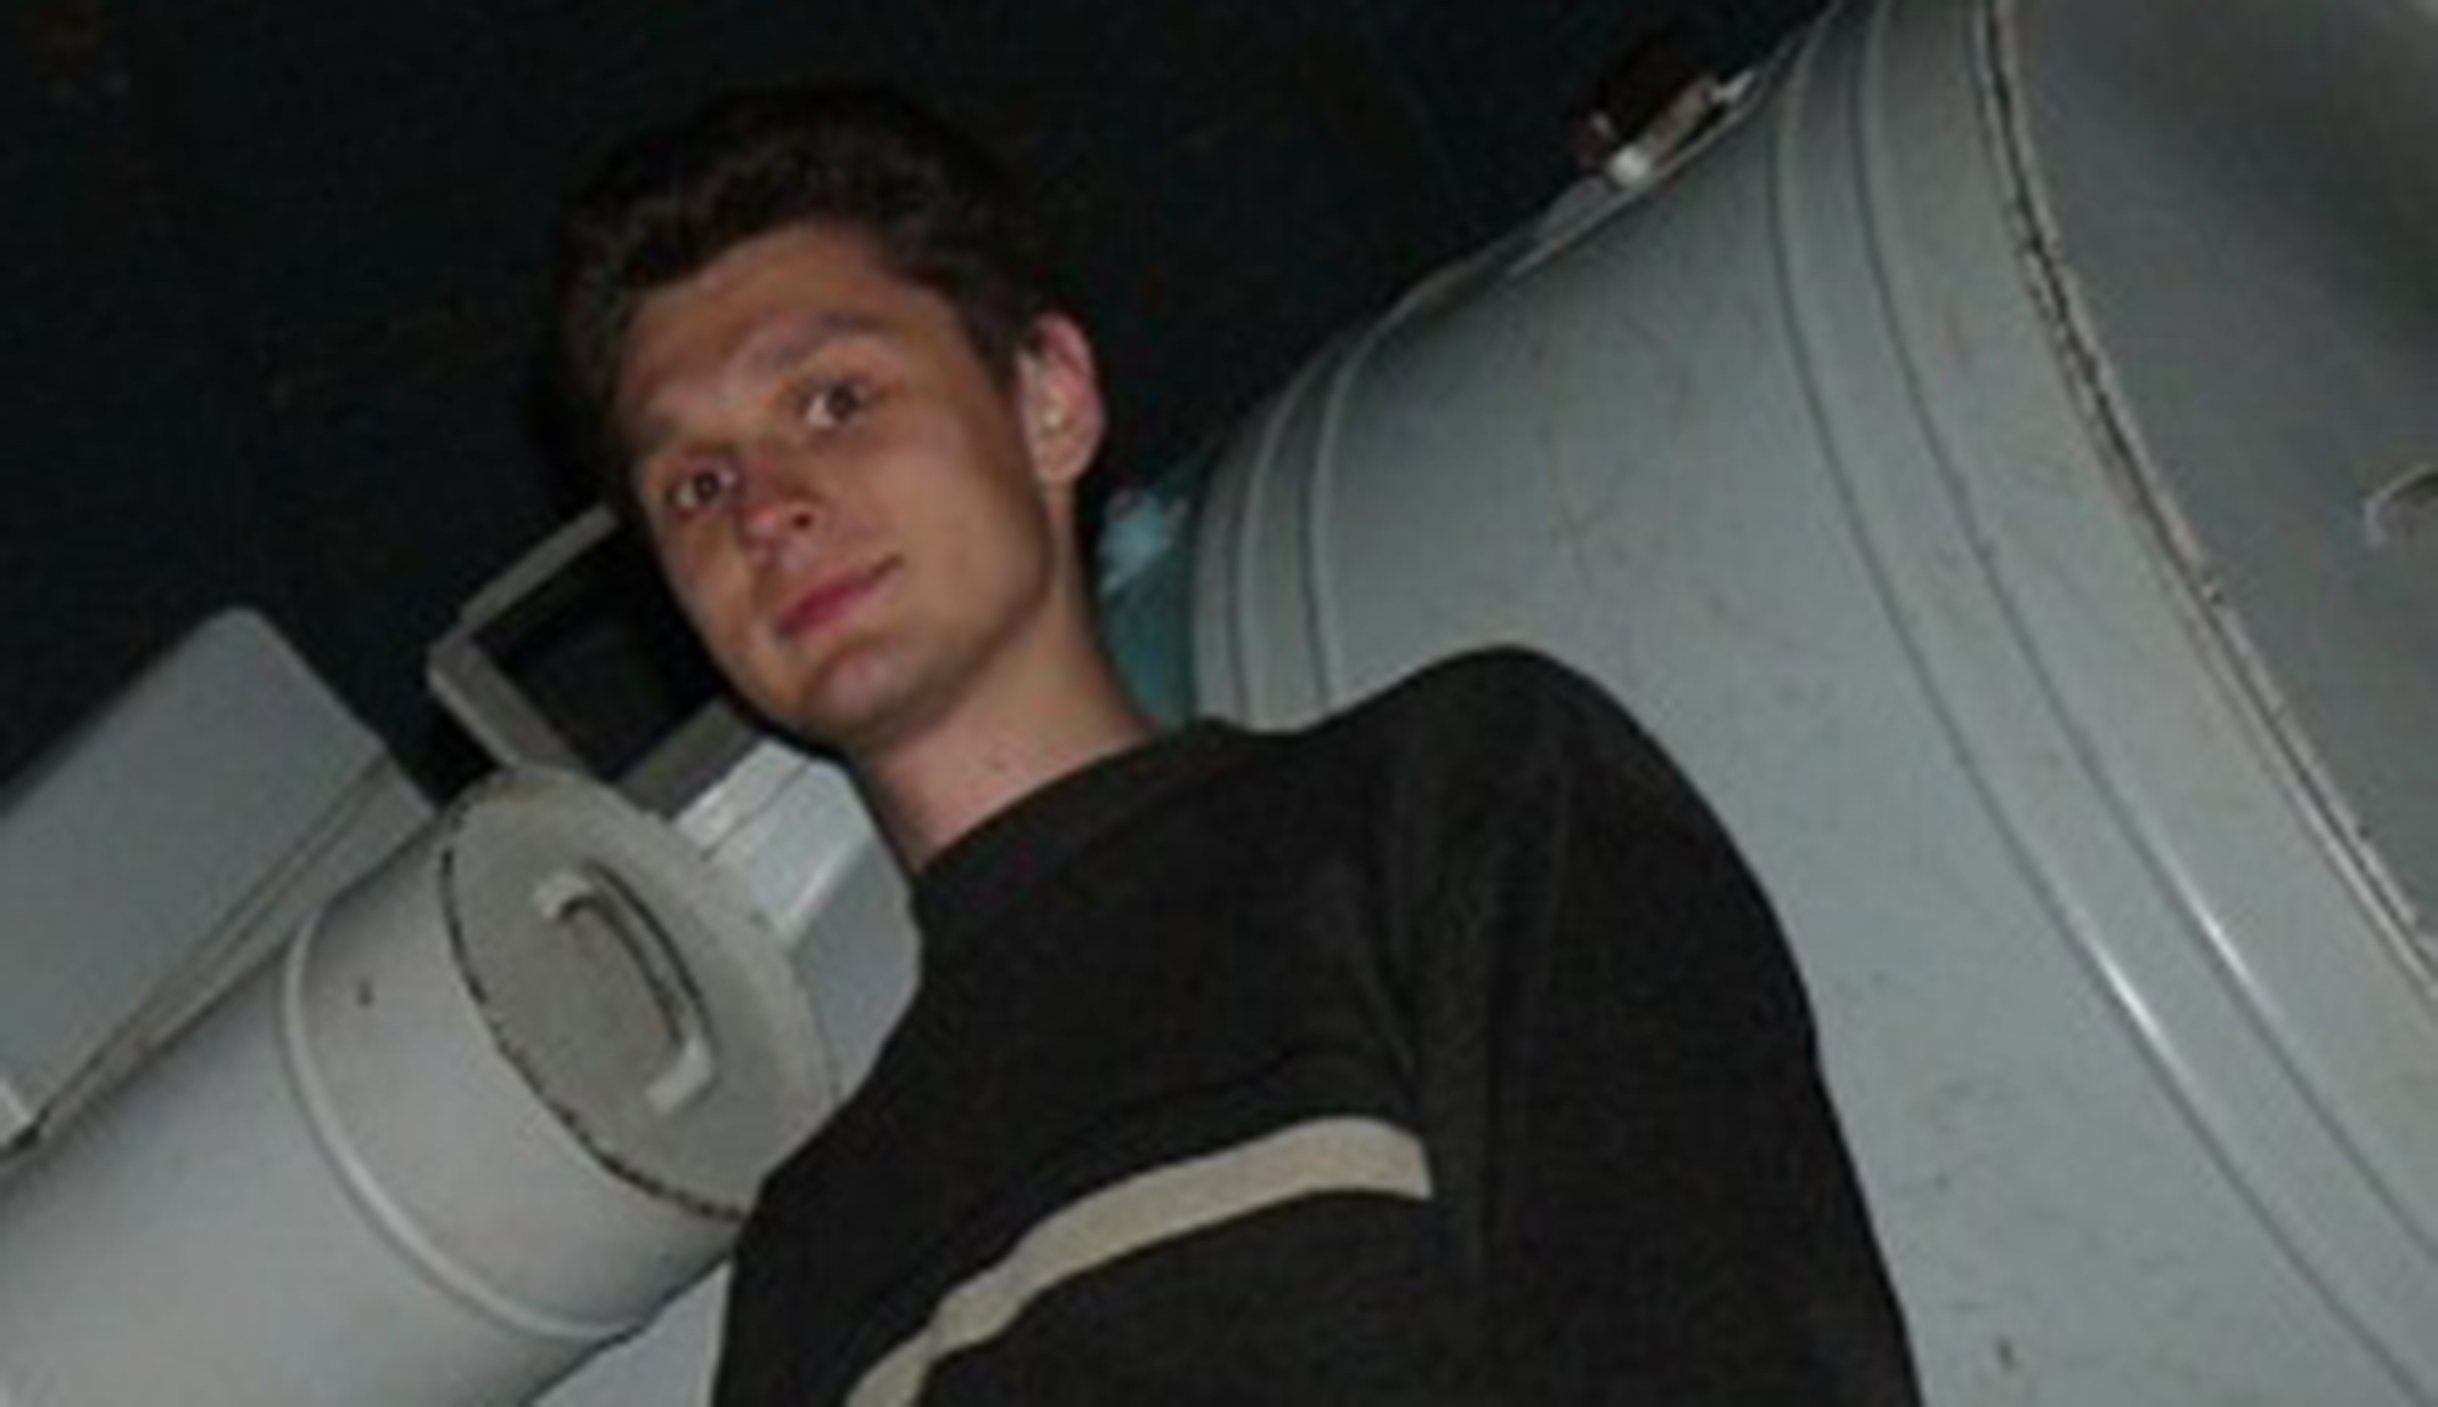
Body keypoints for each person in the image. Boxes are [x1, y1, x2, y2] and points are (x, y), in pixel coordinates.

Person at [551, 84, 1918, 1406]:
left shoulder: (1447, 809)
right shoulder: (814, 1258)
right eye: (697, 484)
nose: (767, 509)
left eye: (833, 400)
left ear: (1047, 399)